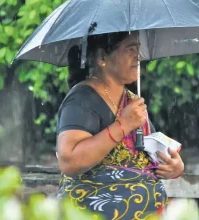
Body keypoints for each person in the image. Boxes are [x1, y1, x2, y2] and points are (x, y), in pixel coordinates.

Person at [56, 31, 184, 219]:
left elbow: (148, 152)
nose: (137, 56)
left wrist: (175, 166)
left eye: (138, 49)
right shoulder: (82, 99)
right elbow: (69, 161)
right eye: (130, 49)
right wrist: (122, 125)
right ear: (102, 57)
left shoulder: (132, 102)